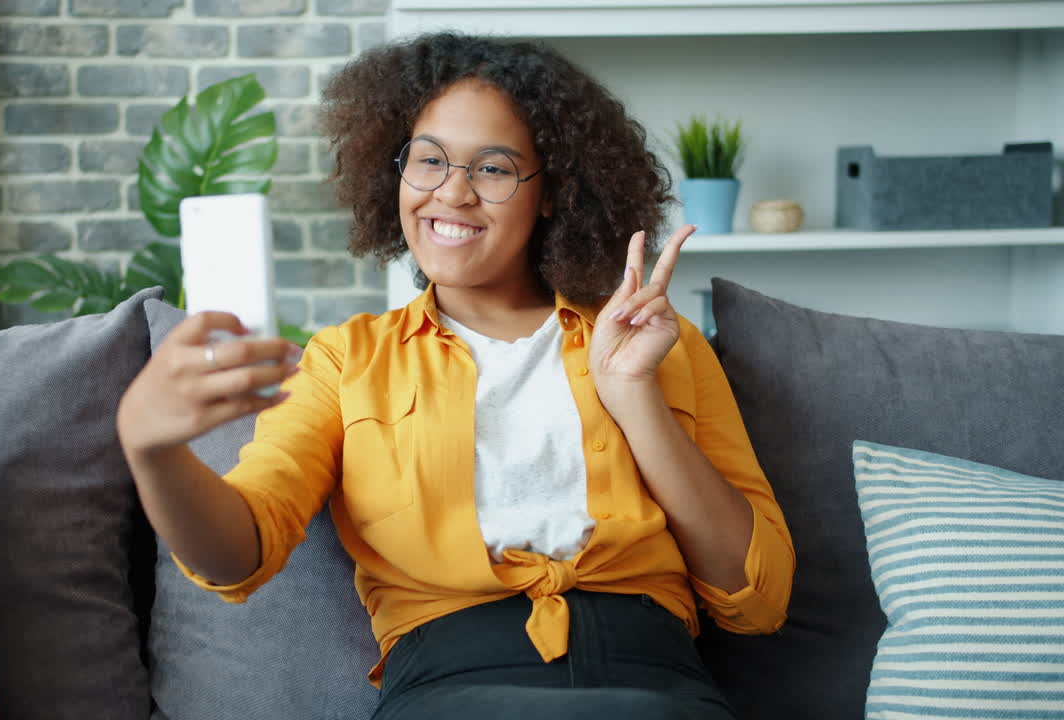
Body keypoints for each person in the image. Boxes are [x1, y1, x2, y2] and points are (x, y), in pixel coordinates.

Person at [117, 32, 795, 719]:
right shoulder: (347, 360)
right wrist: (154, 452)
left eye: (493, 169)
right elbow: (238, 555)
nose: (452, 193)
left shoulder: (656, 344)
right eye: (429, 161)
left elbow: (758, 599)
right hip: (450, 690)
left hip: (654, 687)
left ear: (553, 191)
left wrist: (633, 397)